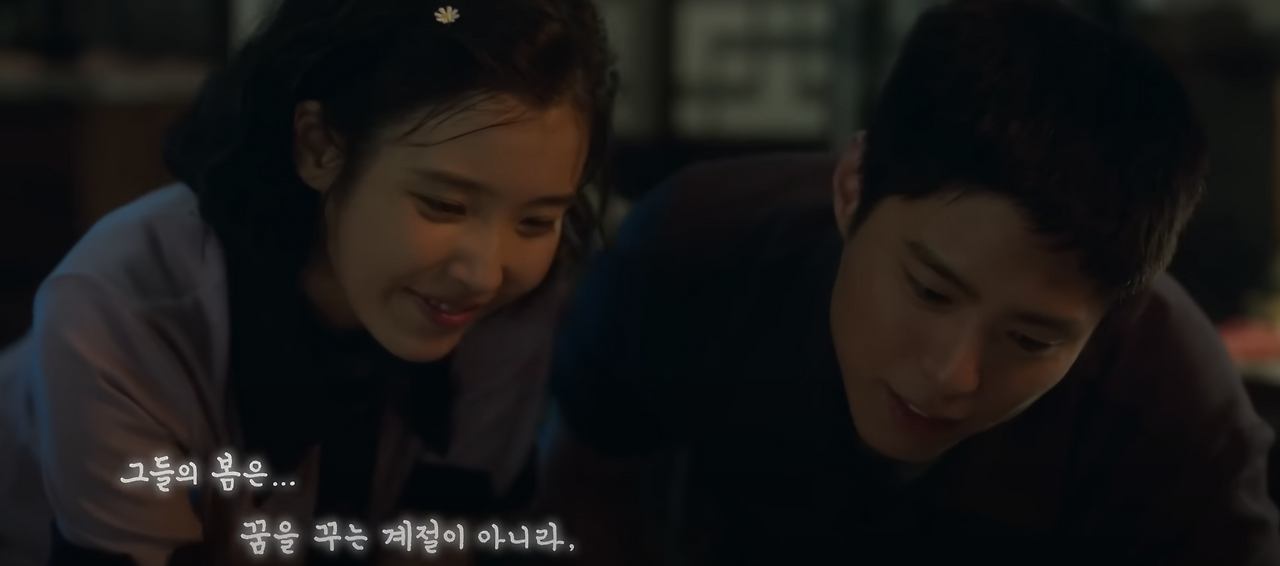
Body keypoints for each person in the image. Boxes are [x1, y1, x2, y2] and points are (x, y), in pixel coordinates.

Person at [541, 0, 1280, 564]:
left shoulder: (1176, 407)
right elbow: (584, 480)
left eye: (1030, 339)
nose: (951, 375)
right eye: (930, 291)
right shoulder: (694, 249)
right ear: (852, 187)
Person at [0, 0, 616, 564]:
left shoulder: (515, 308)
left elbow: (438, 535)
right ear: (319, 147)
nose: (484, 273)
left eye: (535, 221)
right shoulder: (127, 306)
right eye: (443, 205)